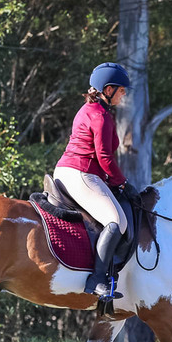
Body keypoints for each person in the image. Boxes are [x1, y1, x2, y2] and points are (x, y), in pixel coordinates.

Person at [54, 62, 140, 297]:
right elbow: (104, 157)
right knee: (117, 221)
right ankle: (96, 280)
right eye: (121, 90)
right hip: (81, 173)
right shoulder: (100, 116)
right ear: (108, 89)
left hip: (69, 170)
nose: (123, 95)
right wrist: (123, 183)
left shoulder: (89, 110)